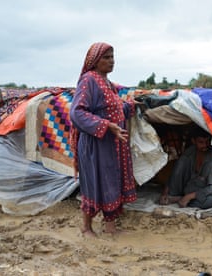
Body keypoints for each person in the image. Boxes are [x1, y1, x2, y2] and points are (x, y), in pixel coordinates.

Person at [70, 42, 139, 236]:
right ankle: (86, 227)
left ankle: (110, 228)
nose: (111, 61)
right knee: (94, 183)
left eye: (112, 57)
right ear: (94, 61)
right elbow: (77, 113)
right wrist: (106, 125)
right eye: (106, 57)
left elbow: (113, 108)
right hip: (96, 144)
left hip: (112, 144)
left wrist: (130, 106)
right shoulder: (88, 80)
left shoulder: (108, 83)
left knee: (112, 182)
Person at [159, 126, 212, 209]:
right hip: (188, 187)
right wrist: (165, 193)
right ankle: (177, 197)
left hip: (203, 191)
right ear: (193, 141)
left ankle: (180, 199)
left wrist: (190, 196)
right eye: (201, 142)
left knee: (210, 200)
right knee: (181, 162)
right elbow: (175, 173)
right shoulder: (190, 152)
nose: (205, 145)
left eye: (207, 141)